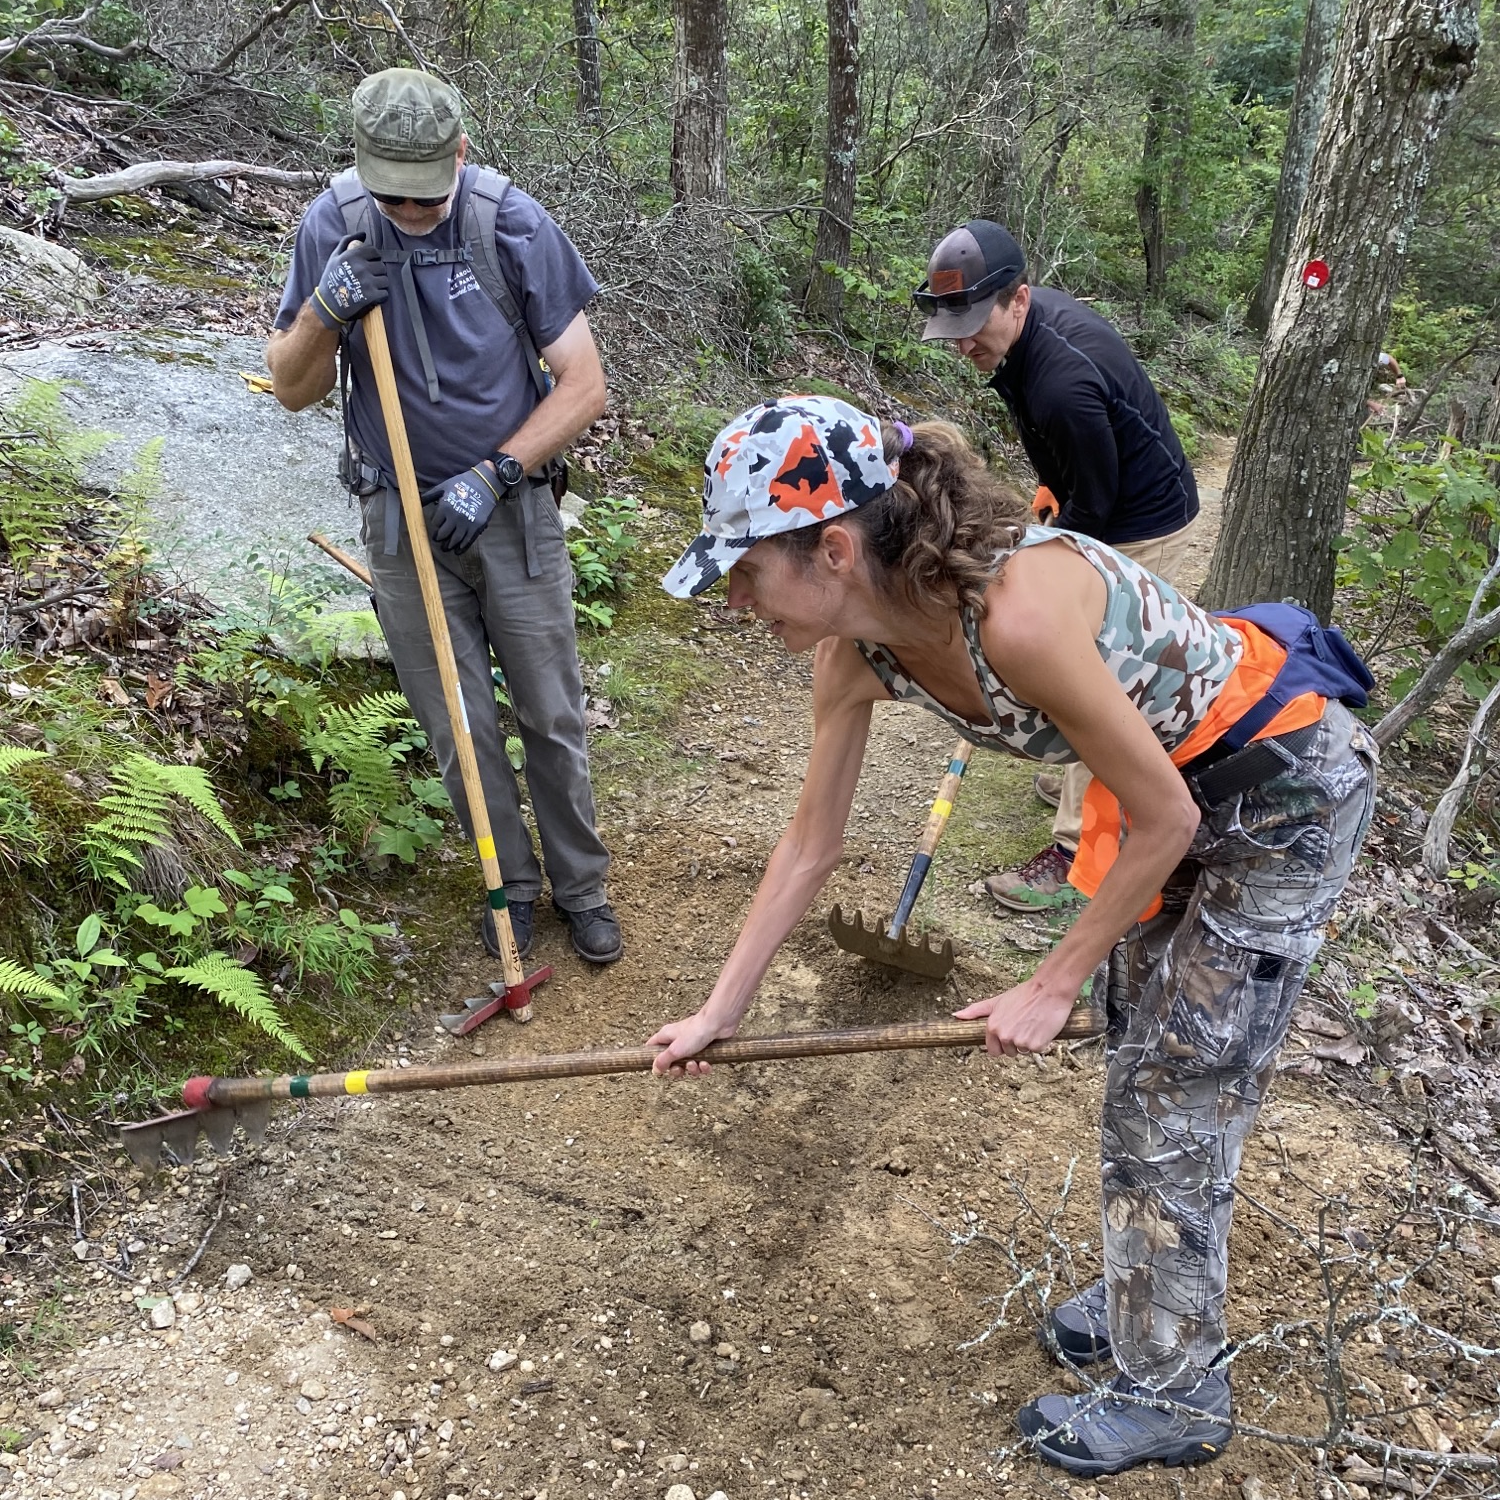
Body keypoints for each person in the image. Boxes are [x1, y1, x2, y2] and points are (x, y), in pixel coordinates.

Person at [648, 394, 1377, 1477]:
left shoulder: (1018, 614)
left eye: (747, 574)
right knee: (1146, 1049)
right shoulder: (855, 655)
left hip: (1281, 802)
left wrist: (1051, 979)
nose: (737, 603)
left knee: (1177, 1089)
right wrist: (721, 1009)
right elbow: (810, 847)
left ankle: (1177, 1390)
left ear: (835, 549)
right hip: (1170, 810)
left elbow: (1170, 819)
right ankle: (1152, 1293)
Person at [266, 68, 622, 965]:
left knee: (549, 712)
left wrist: (498, 471)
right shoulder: (332, 226)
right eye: (393, 193)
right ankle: (513, 888)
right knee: (456, 721)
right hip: (397, 516)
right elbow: (292, 389)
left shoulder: (511, 223)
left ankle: (582, 888)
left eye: (426, 192)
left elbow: (584, 385)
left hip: (510, 508)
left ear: (460, 153)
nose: (410, 208)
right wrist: (324, 312)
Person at [917, 221, 1200, 916]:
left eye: (975, 325)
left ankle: (1079, 848)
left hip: (1142, 523)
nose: (963, 343)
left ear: (1018, 299)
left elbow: (1097, 511)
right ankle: (1079, 781)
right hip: (1099, 494)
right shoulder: (1021, 340)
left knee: (1091, 679)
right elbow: (1072, 472)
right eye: (954, 325)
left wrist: (1043, 560)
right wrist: (1053, 495)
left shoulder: (1063, 382)